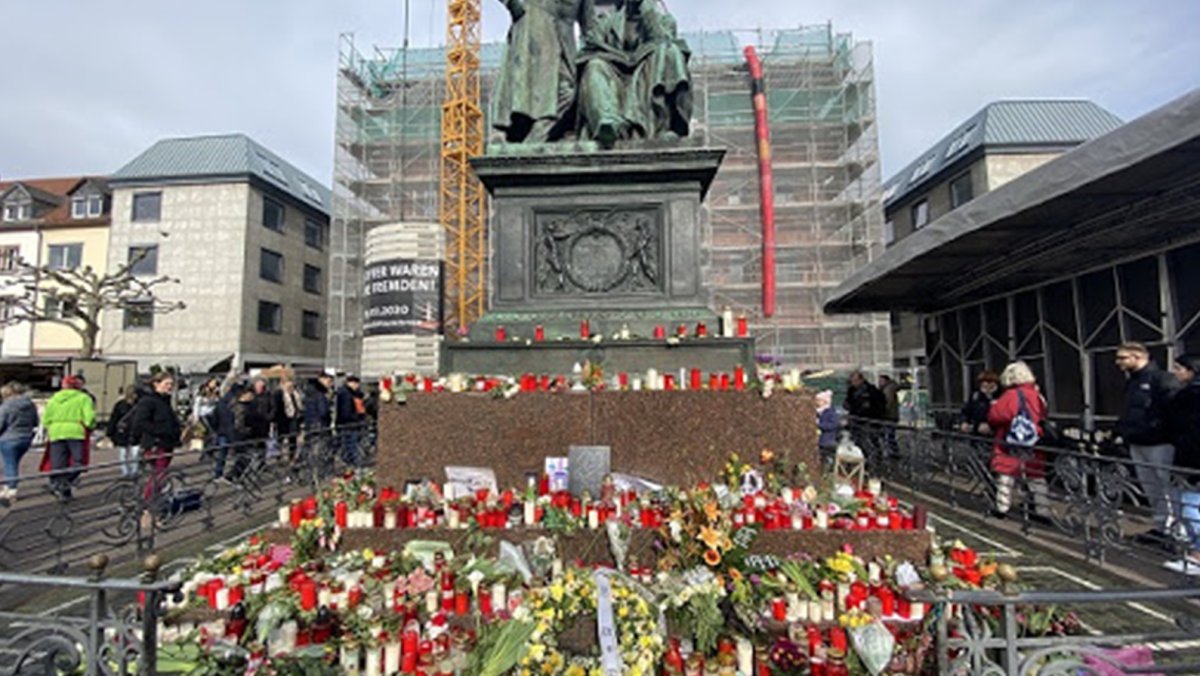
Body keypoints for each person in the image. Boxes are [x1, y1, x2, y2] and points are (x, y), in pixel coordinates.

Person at [577, 0, 692, 147]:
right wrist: (615, 56)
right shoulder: (607, 22)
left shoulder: (665, 21)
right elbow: (591, 46)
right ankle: (608, 123)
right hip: (615, 76)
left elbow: (663, 40)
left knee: (669, 52)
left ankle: (663, 124)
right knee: (594, 65)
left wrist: (649, 14)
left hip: (647, 74)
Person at [491, 0, 594, 143]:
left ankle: (534, 141)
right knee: (528, 98)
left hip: (564, 49)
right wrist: (513, 4)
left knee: (569, 95)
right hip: (531, 39)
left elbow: (590, 29)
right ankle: (526, 139)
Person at [1116, 342, 1181, 542]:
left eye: (1122, 357)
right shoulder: (1132, 382)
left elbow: (1172, 410)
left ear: (1137, 357)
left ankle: (1177, 533)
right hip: (1138, 441)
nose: (1118, 362)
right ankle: (1161, 528)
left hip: (1160, 443)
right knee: (1151, 488)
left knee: (1168, 488)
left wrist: (1157, 429)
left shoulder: (1161, 379)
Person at [987, 361, 1050, 517]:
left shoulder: (1011, 395)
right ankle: (1043, 509)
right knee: (1036, 475)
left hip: (1011, 440)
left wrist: (994, 406)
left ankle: (1002, 508)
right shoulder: (1037, 395)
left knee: (1006, 474)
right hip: (1033, 440)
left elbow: (996, 416)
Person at [1166, 354, 1200, 573]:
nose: (1175, 373)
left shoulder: (1190, 396)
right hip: (1188, 456)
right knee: (1187, 505)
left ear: (1191, 370)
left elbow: (1181, 427)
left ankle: (1198, 556)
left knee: (1189, 506)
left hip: (1191, 459)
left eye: (1179, 368)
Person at [130, 372, 182, 505]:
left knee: (159, 475)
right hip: (156, 444)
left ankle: (152, 500)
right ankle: (147, 505)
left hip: (166, 443)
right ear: (156, 384)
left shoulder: (165, 401)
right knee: (159, 475)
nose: (170, 387)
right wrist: (161, 431)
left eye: (171, 384)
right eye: (167, 384)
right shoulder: (149, 401)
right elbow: (140, 422)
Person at [42, 375, 96, 499]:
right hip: (75, 431)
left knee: (58, 463)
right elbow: (89, 417)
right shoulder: (84, 398)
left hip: (56, 431)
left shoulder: (54, 398)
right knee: (78, 462)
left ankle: (61, 488)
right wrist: (90, 426)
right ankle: (64, 484)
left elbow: (46, 418)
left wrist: (50, 427)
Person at [0, 382, 39, 505]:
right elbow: (36, 422)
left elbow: (1, 424)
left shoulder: (6, 406)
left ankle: (11, 490)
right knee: (13, 463)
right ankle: (8, 486)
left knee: (10, 464)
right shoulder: (30, 405)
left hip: (9, 438)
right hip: (26, 438)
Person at [106, 387, 141, 477]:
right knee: (131, 453)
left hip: (128, 432)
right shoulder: (137, 405)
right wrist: (110, 432)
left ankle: (130, 471)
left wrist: (110, 432)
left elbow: (113, 419)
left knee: (129, 453)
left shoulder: (121, 405)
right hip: (127, 432)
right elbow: (114, 419)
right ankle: (128, 471)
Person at [335, 375, 367, 467]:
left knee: (349, 446)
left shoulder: (349, 393)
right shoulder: (346, 395)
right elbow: (346, 412)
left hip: (349, 424)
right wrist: (358, 417)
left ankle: (351, 465)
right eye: (356, 384)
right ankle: (353, 466)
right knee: (350, 447)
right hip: (349, 424)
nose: (357, 386)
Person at [273, 377, 304, 462]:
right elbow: (277, 407)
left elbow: (298, 405)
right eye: (288, 382)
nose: (290, 385)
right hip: (283, 420)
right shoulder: (279, 393)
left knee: (293, 438)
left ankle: (291, 457)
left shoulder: (295, 393)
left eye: (291, 382)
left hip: (294, 419)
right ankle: (279, 457)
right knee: (281, 439)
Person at [960, 371, 1000, 435]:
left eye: (991, 387)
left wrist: (991, 425)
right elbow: (966, 410)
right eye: (984, 387)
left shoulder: (1002, 396)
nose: (988, 390)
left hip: (995, 432)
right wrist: (964, 422)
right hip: (976, 430)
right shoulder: (975, 396)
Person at [815, 390, 840, 460]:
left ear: (824, 401)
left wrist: (819, 425)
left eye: (819, 400)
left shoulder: (831, 412)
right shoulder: (817, 411)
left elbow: (832, 425)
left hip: (827, 439)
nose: (816, 402)